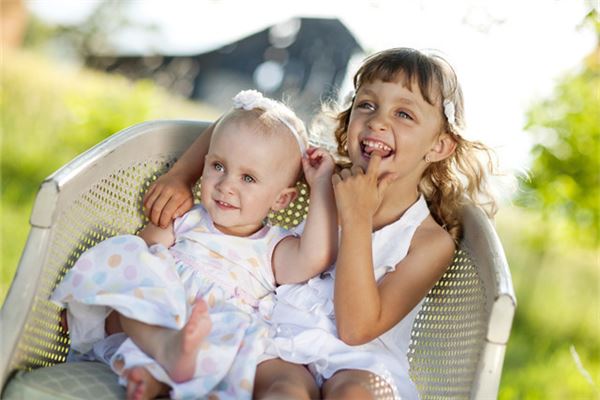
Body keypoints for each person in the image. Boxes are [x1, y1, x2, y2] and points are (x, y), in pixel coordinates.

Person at [144, 48, 498, 399]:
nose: (377, 121)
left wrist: (356, 217)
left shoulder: (429, 241)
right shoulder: (324, 176)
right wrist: (180, 176)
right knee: (284, 393)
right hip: (277, 337)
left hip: (360, 361)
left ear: (439, 145)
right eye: (367, 105)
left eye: (403, 113)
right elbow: (241, 126)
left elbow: (356, 329)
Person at [51, 89, 337, 400]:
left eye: (248, 179)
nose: (226, 185)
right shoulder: (186, 218)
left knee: (268, 367)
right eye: (218, 166)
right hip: (162, 321)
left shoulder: (273, 247)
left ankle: (160, 377)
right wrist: (100, 297)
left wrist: (322, 184)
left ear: (281, 199)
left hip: (218, 331)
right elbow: (139, 257)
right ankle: (163, 356)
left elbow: (315, 257)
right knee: (130, 270)